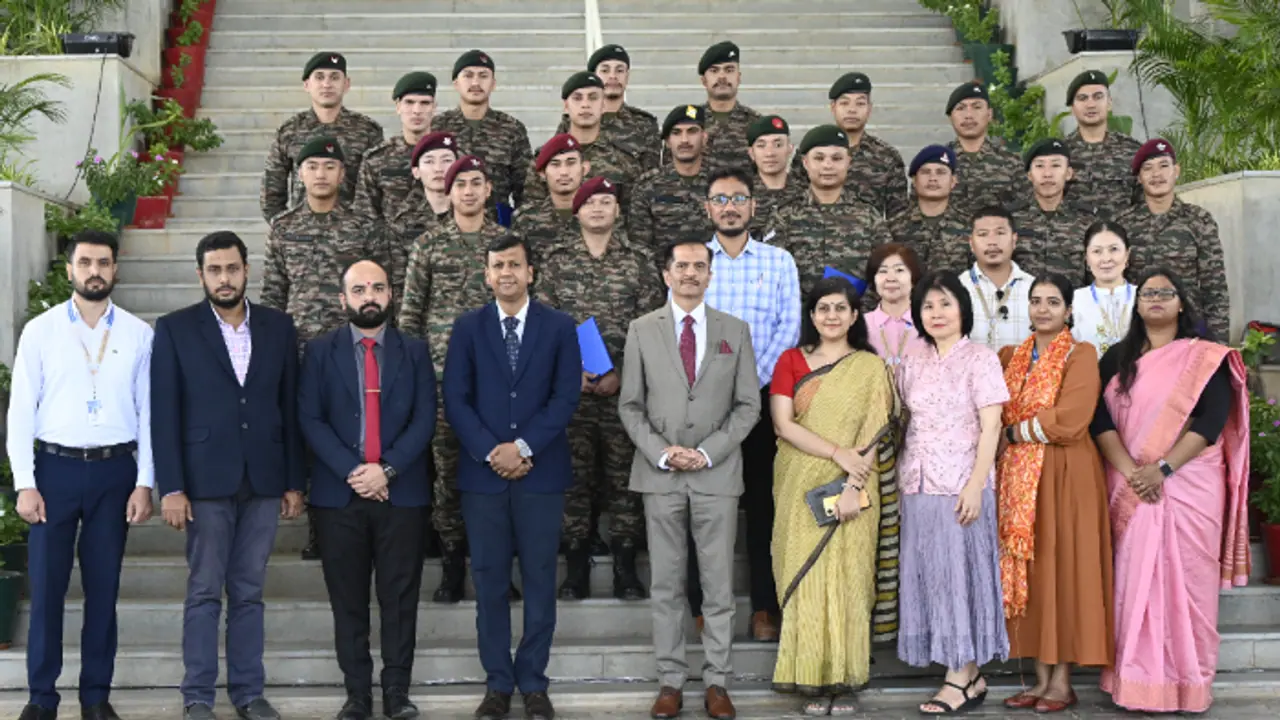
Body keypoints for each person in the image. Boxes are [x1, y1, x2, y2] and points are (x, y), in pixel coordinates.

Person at [150, 231, 306, 720]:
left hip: (263, 478)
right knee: (203, 590)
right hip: (203, 480)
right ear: (200, 275)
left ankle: (248, 692)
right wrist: (171, 486)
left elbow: (290, 407)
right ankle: (198, 695)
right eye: (214, 270)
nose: (224, 278)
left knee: (249, 591)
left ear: (247, 270)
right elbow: (163, 411)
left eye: (232, 268)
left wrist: (293, 480)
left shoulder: (279, 327)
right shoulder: (175, 329)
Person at [9, 231, 156, 720]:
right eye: (86, 262)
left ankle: (96, 696)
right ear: (69, 269)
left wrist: (145, 481)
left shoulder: (138, 333)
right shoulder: (42, 330)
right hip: (54, 471)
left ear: (116, 269)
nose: (95, 270)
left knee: (103, 590)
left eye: (104, 262)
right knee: (47, 590)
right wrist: (25, 482)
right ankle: (41, 698)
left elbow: (150, 414)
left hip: (116, 471)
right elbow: (19, 414)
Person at [1091, 269, 1251, 714]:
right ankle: (1137, 684)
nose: (1156, 299)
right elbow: (1098, 420)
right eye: (1147, 293)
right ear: (1136, 305)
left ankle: (1189, 683)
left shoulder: (1205, 358)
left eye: (1166, 292)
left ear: (1181, 304)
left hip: (1189, 485)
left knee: (1189, 585)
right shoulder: (1114, 359)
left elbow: (1212, 419)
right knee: (1133, 582)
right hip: (1129, 484)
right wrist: (1132, 471)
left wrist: (1162, 469)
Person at [618, 238, 761, 720]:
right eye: (682, 266)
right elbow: (630, 405)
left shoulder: (734, 331)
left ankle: (718, 681)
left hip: (716, 475)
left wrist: (705, 453)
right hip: (659, 476)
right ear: (666, 274)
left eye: (700, 266)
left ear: (710, 275)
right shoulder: (641, 330)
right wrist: (662, 453)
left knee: (718, 585)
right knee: (666, 584)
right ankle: (670, 680)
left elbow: (748, 406)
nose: (691, 274)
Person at [443, 235, 582, 720]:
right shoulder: (467, 327)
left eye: (515, 264)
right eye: (498, 265)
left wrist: (522, 448)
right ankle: (498, 684)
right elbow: (455, 399)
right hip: (483, 479)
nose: (506, 272)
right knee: (490, 582)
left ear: (530, 272)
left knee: (541, 579)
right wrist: (491, 451)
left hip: (540, 475)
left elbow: (566, 397)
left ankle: (534, 682)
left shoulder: (561, 327)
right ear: (486, 274)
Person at [298, 259, 437, 720]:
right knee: (348, 598)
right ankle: (357, 693)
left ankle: (397, 691)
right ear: (344, 300)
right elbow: (311, 419)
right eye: (359, 290)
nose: (369, 296)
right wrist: (355, 470)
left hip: (402, 494)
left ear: (392, 294)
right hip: (340, 496)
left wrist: (388, 469)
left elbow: (424, 418)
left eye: (378, 287)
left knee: (400, 598)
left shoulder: (414, 351)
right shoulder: (320, 352)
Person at [769, 277, 897, 716]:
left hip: (854, 488)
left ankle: (844, 680)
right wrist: (837, 454)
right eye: (823, 308)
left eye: (840, 308)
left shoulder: (869, 367)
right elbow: (784, 425)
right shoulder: (790, 360)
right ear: (811, 316)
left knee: (848, 577)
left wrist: (853, 486)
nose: (831, 316)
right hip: (799, 481)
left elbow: (874, 432)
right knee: (805, 576)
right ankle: (809, 677)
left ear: (855, 316)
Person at [685, 167, 801, 643]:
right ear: (707, 208)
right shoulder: (692, 262)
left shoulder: (778, 262)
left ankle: (763, 608)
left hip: (760, 404)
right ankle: (699, 607)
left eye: (738, 197)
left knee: (762, 507)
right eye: (719, 198)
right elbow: (684, 326)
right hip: (704, 403)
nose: (729, 206)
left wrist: (747, 386)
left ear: (753, 206)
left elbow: (789, 328)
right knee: (704, 507)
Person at [260, 137, 387, 561]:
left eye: (329, 166)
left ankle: (364, 518)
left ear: (342, 174)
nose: (320, 174)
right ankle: (320, 529)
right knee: (312, 440)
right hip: (300, 349)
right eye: (312, 166)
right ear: (299, 173)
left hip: (354, 348)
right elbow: (274, 296)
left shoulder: (363, 226)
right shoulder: (283, 227)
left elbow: (386, 289)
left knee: (357, 432)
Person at [535, 176, 663, 601]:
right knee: (574, 479)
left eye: (607, 201)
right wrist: (570, 373)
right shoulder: (555, 260)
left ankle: (626, 568)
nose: (598, 209)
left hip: (625, 391)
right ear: (577, 210)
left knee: (624, 479)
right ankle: (575, 570)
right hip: (571, 393)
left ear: (618, 210)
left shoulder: (640, 260)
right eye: (590, 202)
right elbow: (546, 328)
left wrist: (623, 373)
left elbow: (651, 326)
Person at [995, 274, 1115, 714]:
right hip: (1020, 481)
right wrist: (1019, 431)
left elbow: (1071, 420)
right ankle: (1038, 679)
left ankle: (1061, 682)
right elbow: (995, 407)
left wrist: (1014, 431)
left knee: (1060, 571)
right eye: (1036, 301)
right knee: (1030, 573)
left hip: (1065, 476)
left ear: (1068, 311)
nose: (1043, 309)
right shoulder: (1011, 356)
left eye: (1053, 302)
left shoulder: (1081, 355)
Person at [896, 270, 1009, 716]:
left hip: (962, 485)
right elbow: (903, 417)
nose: (936, 313)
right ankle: (967, 674)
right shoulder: (912, 358)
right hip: (918, 483)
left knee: (959, 578)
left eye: (945, 303)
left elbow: (992, 426)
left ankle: (961, 678)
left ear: (963, 307)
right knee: (932, 578)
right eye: (927, 306)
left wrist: (977, 485)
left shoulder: (979, 359)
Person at [399, 155, 508, 603]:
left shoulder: (505, 243)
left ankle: (497, 567)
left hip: (500, 381)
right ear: (448, 190)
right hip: (444, 380)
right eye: (459, 183)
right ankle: (451, 565)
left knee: (496, 476)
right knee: (447, 475)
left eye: (475, 183)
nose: (467, 191)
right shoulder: (428, 244)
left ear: (487, 190)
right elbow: (410, 314)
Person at [1114, 139, 1229, 341]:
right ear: (1139, 178)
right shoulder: (1123, 224)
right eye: (1148, 168)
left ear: (1176, 171)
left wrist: (1218, 344)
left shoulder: (1199, 220)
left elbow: (1215, 288)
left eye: (1164, 166)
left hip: (1189, 331)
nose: (1156, 174)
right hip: (1139, 333)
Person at [767, 125, 891, 298]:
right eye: (819, 158)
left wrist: (854, 312)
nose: (827, 165)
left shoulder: (869, 217)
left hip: (856, 318)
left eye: (836, 158)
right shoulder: (785, 216)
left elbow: (887, 272)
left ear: (849, 162)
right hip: (801, 319)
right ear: (805, 163)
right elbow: (771, 274)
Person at [260, 52, 383, 220]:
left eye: (334, 77)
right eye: (319, 77)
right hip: (301, 234)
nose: (326, 84)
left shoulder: (367, 131)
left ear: (346, 84)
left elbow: (378, 189)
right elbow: (272, 191)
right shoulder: (290, 131)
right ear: (306, 84)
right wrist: (286, 229)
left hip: (352, 236)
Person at [433, 50, 533, 223]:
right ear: (456, 83)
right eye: (468, 75)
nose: (476, 82)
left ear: (493, 83)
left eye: (483, 76)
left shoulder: (511, 129)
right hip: (446, 229)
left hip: (497, 228)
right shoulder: (437, 127)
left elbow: (525, 188)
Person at [522, 72, 644, 212]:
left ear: (603, 105)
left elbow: (632, 217)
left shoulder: (625, 160)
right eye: (577, 98)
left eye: (593, 98)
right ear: (566, 106)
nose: (585, 105)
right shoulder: (544, 159)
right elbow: (531, 213)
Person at [351, 71, 439, 231]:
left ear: (434, 108)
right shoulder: (377, 159)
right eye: (409, 102)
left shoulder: (452, 157)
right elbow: (364, 215)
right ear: (398, 107)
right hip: (390, 252)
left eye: (425, 103)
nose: (417, 110)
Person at [554, 43, 661, 171]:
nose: (613, 76)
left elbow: (651, 176)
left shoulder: (644, 124)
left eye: (619, 70)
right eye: (605, 70)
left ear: (627, 76)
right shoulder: (574, 120)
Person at [629, 105, 715, 257]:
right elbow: (640, 245)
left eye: (692, 132)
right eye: (676, 133)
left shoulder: (722, 182)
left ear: (704, 137)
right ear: (668, 142)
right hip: (663, 276)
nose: (684, 140)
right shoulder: (648, 185)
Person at [385, 131, 458, 298]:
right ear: (416, 171)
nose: (439, 169)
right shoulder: (402, 222)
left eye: (447, 160)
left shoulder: (473, 215)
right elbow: (397, 283)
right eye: (429, 161)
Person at [826, 72, 909, 220]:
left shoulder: (887, 156)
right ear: (833, 107)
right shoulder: (814, 152)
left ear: (869, 109)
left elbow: (898, 216)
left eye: (860, 103)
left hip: (871, 240)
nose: (852, 110)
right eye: (844, 103)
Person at [1060, 70, 1142, 219]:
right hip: (1072, 237)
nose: (1091, 104)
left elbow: (1144, 200)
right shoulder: (1059, 154)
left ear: (1109, 103)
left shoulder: (1132, 150)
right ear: (1072, 108)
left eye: (1098, 97)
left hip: (1121, 236)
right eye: (1083, 98)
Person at [1012, 138, 1093, 284]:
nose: (1047, 174)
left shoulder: (1087, 221)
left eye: (1055, 165)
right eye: (1040, 166)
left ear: (1068, 173)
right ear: (1029, 175)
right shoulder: (1012, 220)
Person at [958, 206, 1035, 351]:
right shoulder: (956, 288)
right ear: (971, 243)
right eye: (983, 234)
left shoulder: (1034, 289)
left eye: (1000, 233)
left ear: (1014, 240)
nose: (992, 242)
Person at [887, 145, 972, 275]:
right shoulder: (893, 227)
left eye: (941, 172)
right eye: (925, 172)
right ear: (914, 181)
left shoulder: (971, 227)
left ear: (953, 181)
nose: (933, 178)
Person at [944, 81, 1026, 213]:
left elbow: (1026, 210)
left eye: (977, 107)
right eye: (960, 108)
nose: (969, 115)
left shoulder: (1012, 162)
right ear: (950, 117)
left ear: (989, 114)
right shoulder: (936, 163)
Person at [512, 133, 588, 248]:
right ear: (542, 173)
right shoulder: (526, 219)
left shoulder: (600, 215)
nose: (564, 172)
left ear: (584, 169)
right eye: (555, 164)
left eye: (571, 163)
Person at [1072, 220, 1136, 356]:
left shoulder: (1142, 296)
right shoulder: (1075, 300)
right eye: (1097, 251)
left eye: (1114, 249)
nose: (1106, 259)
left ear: (1127, 254)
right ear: (1087, 258)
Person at [697, 41, 761, 173]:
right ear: (703, 80)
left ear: (738, 77)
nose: (722, 77)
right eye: (714, 70)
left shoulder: (757, 123)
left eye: (729, 70)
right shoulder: (688, 123)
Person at [864, 243, 926, 365]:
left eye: (899, 270)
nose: (890, 278)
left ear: (913, 278)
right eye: (883, 271)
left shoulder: (928, 322)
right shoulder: (861, 325)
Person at [745, 115, 804, 239]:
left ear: (790, 149)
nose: (770, 153)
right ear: (751, 153)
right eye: (761, 146)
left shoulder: (805, 193)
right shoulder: (741, 196)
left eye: (778, 145)